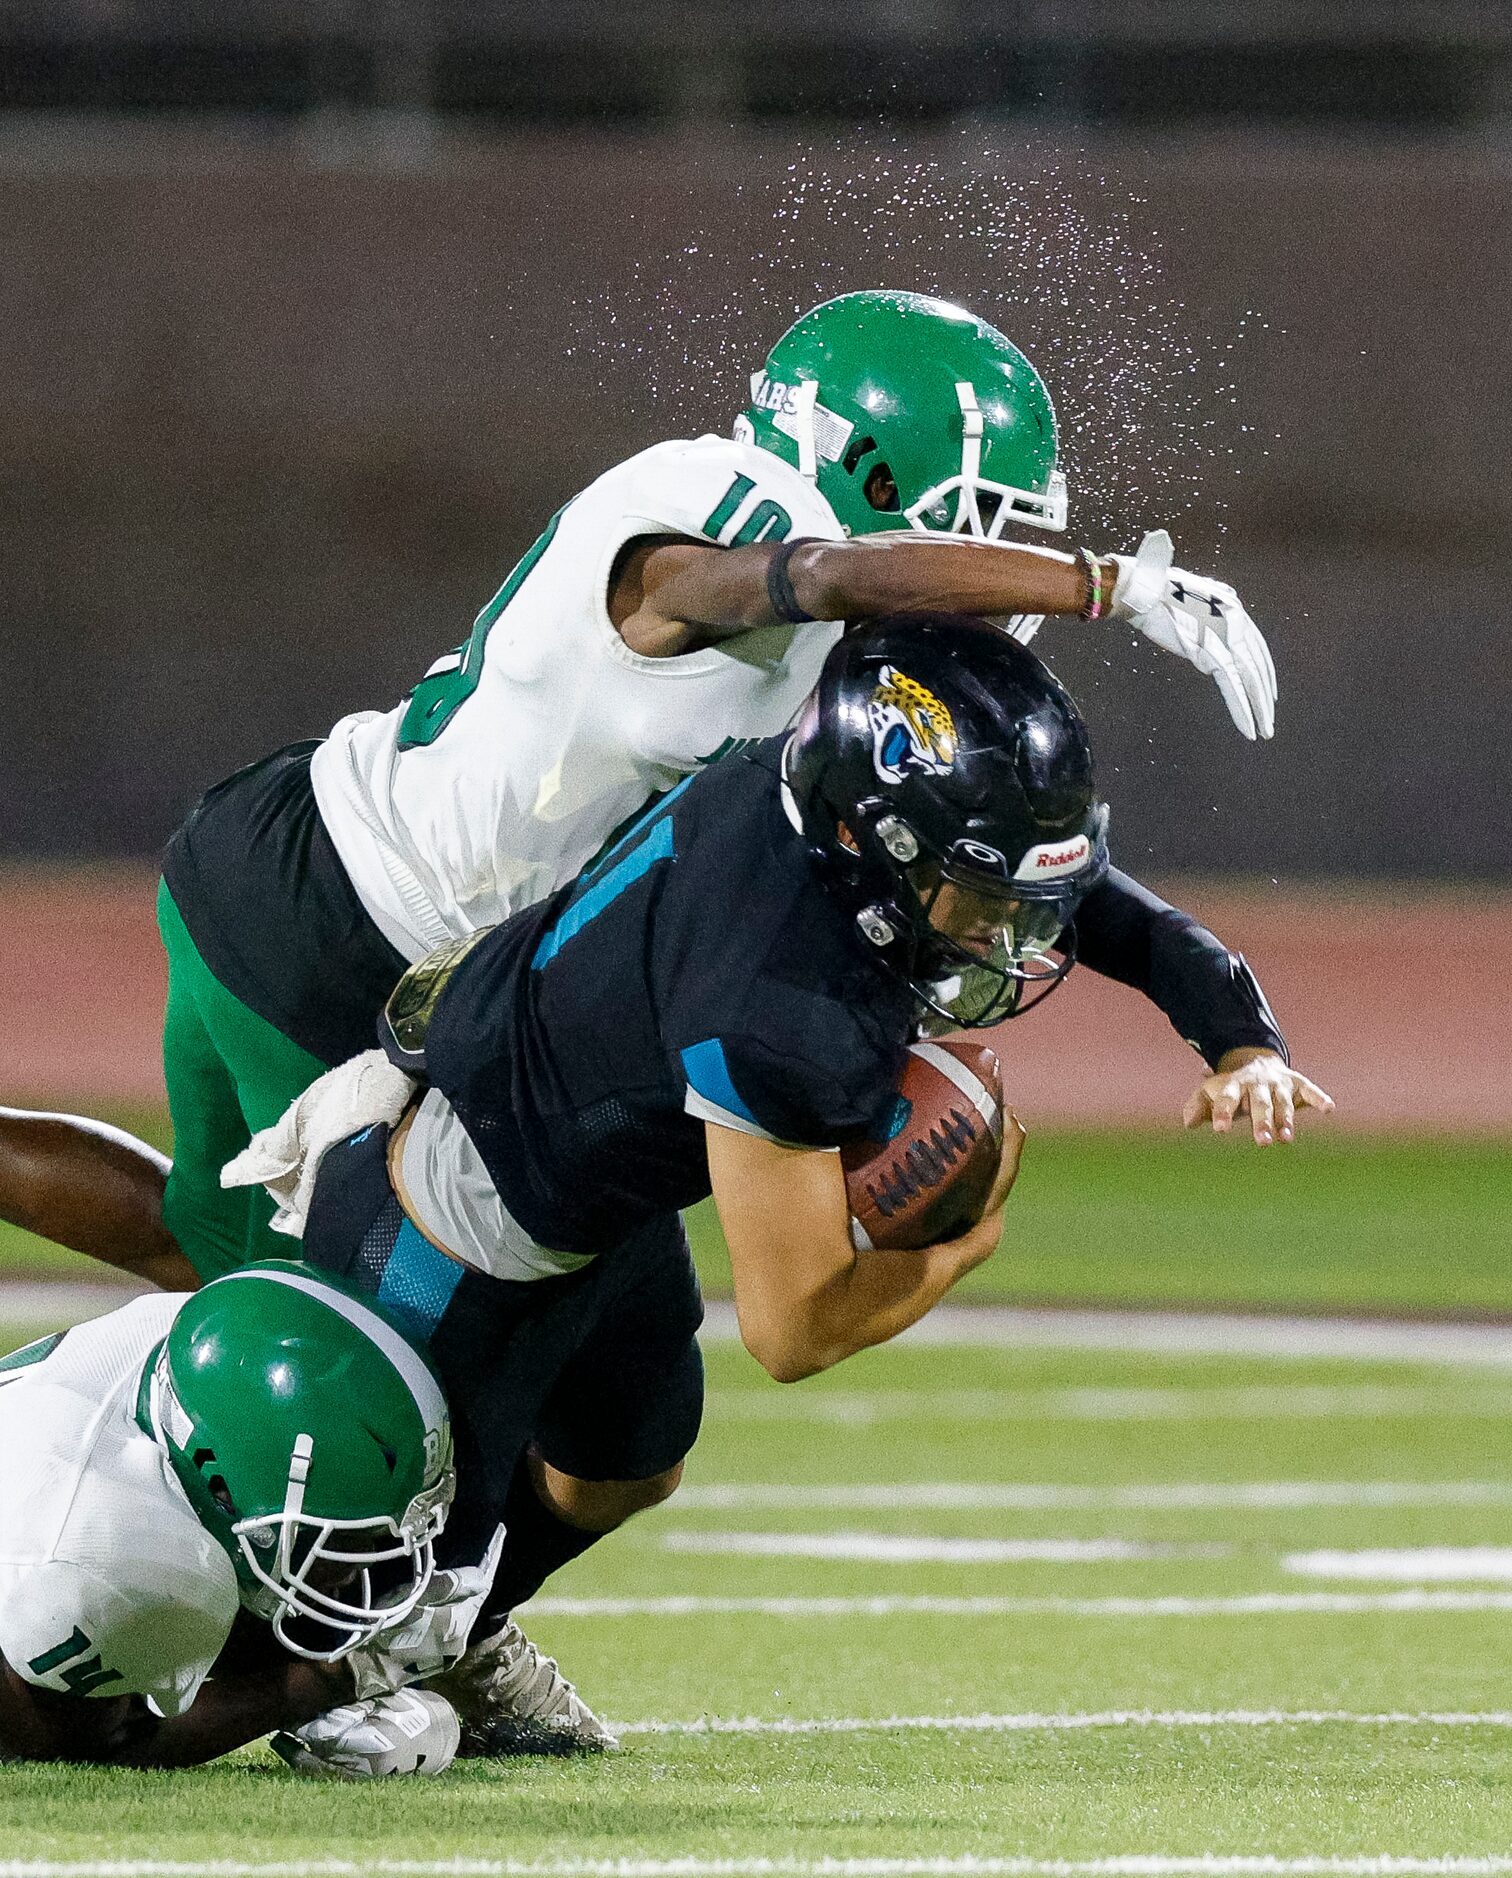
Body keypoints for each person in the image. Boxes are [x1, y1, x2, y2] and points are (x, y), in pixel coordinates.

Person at [214, 616, 1329, 1664]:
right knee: (351, 1613)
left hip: (593, 1182)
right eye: (979, 898)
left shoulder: (817, 800)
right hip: (453, 1221)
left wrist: (1240, 1038)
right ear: (879, 843)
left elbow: (1102, 909)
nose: (1006, 935)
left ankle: (459, 1647)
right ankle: (200, 1696)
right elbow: (793, 1330)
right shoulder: (783, 1002)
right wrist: (958, 1250)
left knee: (627, 1466)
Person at [115, 287, 1276, 1286]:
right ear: (869, 467)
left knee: (194, 1244)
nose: (997, 583)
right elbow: (814, 573)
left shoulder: (850, 669)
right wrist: (1100, 583)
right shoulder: (727, 508)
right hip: (349, 924)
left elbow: (1042, 874)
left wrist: (1232, 1030)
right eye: (988, 530)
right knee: (353, 1344)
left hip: (318, 871)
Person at [0, 1259, 472, 1772]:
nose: (357, 1567)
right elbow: (80, 1745)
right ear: (221, 1486)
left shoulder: (218, 1346)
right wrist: (332, 1678)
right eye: (334, 1538)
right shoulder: (103, 1555)